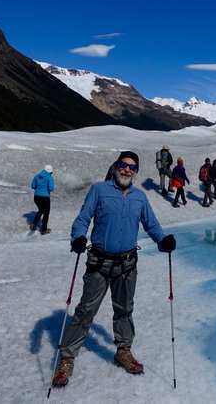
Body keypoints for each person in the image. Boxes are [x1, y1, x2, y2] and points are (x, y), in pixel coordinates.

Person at [52, 151, 177, 386]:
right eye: (124, 165)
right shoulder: (99, 190)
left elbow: (152, 225)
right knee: (85, 310)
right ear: (116, 166)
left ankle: (123, 351)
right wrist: (78, 237)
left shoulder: (140, 197)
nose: (127, 170)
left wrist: (163, 241)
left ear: (136, 171)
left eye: (132, 167)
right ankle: (67, 357)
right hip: (99, 262)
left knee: (124, 310)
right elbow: (83, 219)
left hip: (127, 264)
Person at [30, 165, 54, 234]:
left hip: (36, 197)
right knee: (46, 213)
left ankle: (34, 224)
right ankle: (44, 230)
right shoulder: (49, 177)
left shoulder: (37, 176)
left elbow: (33, 186)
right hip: (45, 197)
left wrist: (39, 190)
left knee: (40, 210)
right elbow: (51, 188)